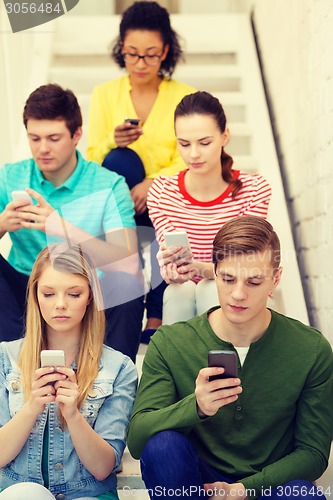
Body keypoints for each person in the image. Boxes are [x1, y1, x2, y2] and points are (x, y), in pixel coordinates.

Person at [127, 215, 333, 500]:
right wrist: (196, 406)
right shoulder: (170, 341)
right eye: (227, 279)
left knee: (303, 495)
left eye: (254, 282)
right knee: (162, 446)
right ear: (214, 271)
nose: (238, 294)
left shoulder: (311, 349)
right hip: (196, 482)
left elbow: (313, 453)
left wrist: (244, 490)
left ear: (276, 279)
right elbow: (138, 442)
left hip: (268, 485)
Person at [0, 83, 145, 362]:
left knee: (128, 282)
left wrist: (59, 227)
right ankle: (10, 371)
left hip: (87, 293)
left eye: (53, 138)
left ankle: (111, 385)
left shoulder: (109, 185)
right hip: (28, 290)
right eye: (34, 138)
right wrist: (3, 223)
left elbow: (126, 261)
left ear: (76, 134)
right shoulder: (10, 177)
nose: (42, 149)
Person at [87, 1, 196, 340]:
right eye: (132, 54)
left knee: (163, 208)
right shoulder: (105, 94)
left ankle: (156, 306)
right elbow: (92, 157)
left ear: (165, 51)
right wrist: (111, 139)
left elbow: (191, 153)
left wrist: (154, 183)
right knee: (120, 160)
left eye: (150, 54)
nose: (140, 63)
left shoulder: (184, 97)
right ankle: (140, 300)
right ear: (122, 50)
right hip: (121, 199)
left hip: (164, 199)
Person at [0, 243, 137, 499]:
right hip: (17, 488)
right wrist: (31, 407)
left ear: (90, 297)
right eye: (49, 294)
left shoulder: (119, 368)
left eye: (73, 294)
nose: (60, 304)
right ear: (35, 296)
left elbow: (103, 468)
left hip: (88, 492)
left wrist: (73, 414)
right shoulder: (5, 358)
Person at [147, 91, 272, 327]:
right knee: (177, 292)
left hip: (240, 292)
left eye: (205, 143)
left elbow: (243, 264)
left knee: (209, 288)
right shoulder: (162, 192)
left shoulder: (254, 190)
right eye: (184, 144)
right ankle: (180, 363)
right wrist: (171, 268)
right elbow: (167, 252)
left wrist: (201, 270)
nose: (193, 154)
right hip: (183, 293)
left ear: (225, 136)